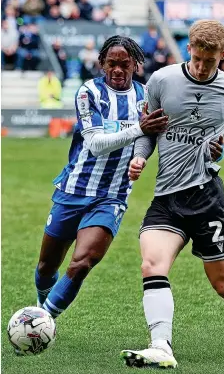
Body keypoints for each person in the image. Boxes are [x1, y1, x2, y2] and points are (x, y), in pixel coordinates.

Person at [120, 20, 224, 369]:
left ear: (223, 55)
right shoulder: (161, 81)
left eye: (211, 61)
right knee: (151, 263)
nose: (202, 66)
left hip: (206, 197)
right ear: (189, 48)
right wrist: (139, 156)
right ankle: (161, 345)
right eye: (197, 58)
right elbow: (149, 130)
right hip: (166, 197)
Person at [33, 36, 168, 326]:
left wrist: (140, 158)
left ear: (136, 65)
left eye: (124, 64)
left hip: (112, 195)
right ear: (101, 64)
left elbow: (154, 135)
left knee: (83, 262)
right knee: (46, 267)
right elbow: (95, 144)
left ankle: (42, 323)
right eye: (112, 64)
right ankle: (40, 305)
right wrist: (138, 128)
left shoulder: (146, 98)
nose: (118, 70)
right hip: (73, 190)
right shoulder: (89, 93)